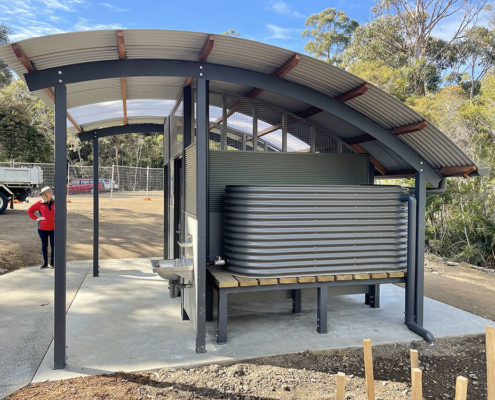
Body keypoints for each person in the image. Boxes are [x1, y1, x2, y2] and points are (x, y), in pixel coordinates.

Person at [27, 186, 55, 269]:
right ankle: (45, 263)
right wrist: (37, 218)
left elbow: (64, 210)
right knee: (44, 245)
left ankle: (52, 263)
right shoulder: (39, 203)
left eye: (51, 191)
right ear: (44, 194)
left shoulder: (55, 202)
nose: (51, 193)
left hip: (54, 228)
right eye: (49, 191)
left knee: (54, 245)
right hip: (42, 228)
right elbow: (30, 211)